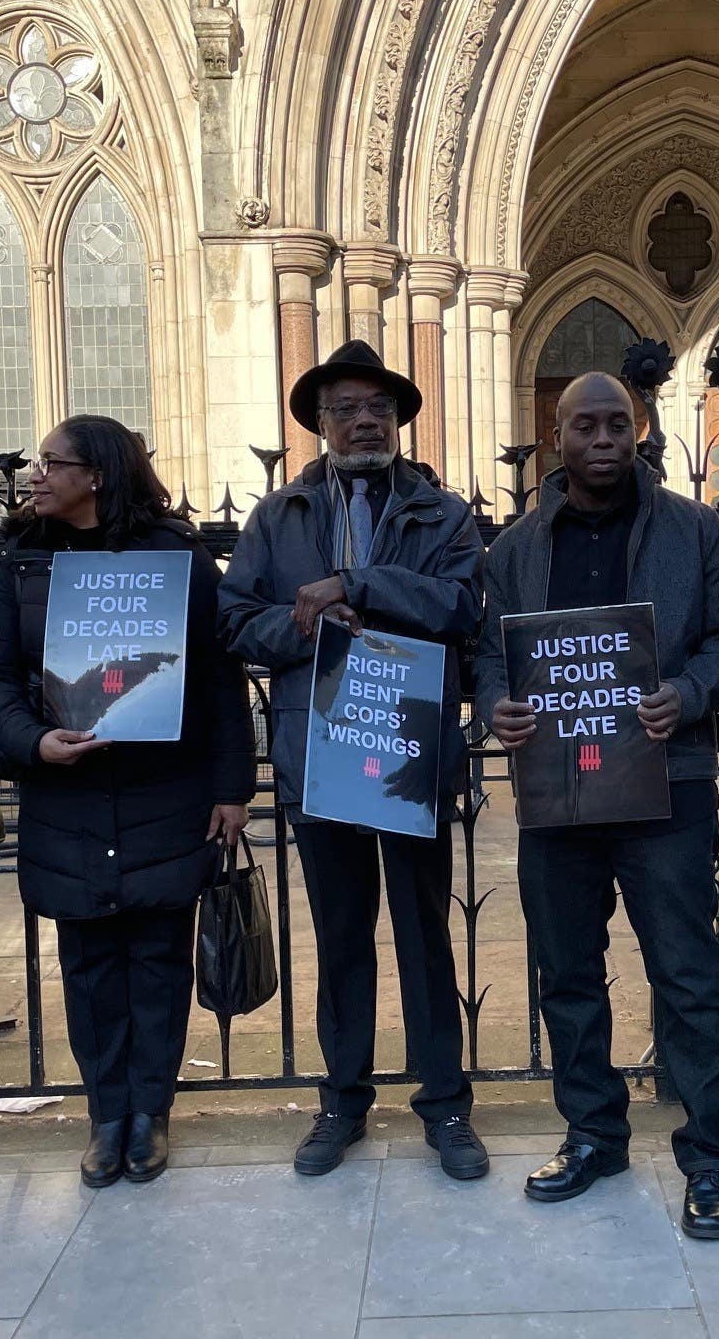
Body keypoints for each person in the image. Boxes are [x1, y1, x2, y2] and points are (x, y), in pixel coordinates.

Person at [476, 371, 719, 1239]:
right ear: (556, 437)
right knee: (566, 974)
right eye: (582, 426)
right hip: (557, 793)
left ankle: (710, 1154)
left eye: (615, 424)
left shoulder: (692, 527)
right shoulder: (515, 550)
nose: (601, 439)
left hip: (665, 788)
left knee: (687, 974)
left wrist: (689, 690)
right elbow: (489, 655)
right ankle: (594, 1133)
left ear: (638, 431)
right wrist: (497, 705)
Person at [219, 340, 489, 1181]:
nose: (364, 419)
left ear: (400, 420)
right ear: (320, 423)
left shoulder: (442, 515)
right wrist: (305, 627)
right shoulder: (278, 516)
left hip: (406, 742)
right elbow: (235, 623)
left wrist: (359, 587)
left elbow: (464, 609)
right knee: (341, 936)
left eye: (378, 406)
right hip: (318, 747)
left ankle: (444, 1105)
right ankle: (342, 1101)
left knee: (423, 935)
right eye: (345, 408)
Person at [0, 415, 253, 1189]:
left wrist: (234, 787)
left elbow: (222, 679)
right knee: (90, 963)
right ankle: (106, 1117)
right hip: (68, 789)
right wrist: (32, 741)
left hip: (166, 787)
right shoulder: (26, 561)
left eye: (51, 463)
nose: (37, 474)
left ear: (96, 473)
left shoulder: (176, 558)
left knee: (159, 962)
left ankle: (151, 1114)